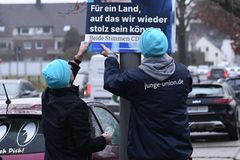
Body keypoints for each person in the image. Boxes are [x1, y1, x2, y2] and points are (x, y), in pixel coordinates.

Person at [100, 28, 193, 160]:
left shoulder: (137, 78)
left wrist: (111, 59)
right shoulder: (183, 73)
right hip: (178, 151)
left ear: (143, 48)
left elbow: (111, 82)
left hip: (147, 153)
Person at [41, 41, 112, 160]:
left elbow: (61, 80)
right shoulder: (76, 107)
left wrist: (79, 55)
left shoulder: (47, 97)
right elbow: (84, 145)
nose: (70, 67)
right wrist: (104, 139)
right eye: (67, 68)